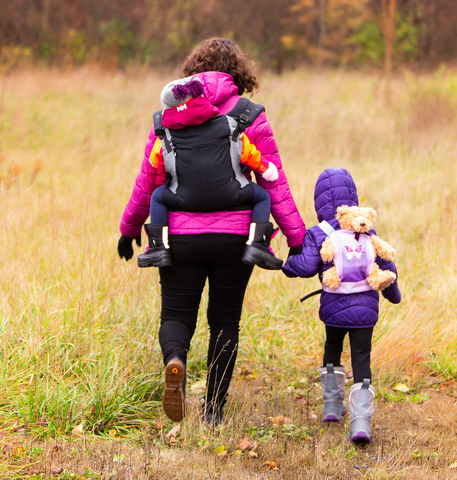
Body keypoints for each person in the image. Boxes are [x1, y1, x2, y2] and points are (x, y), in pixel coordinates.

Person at [118, 38, 306, 425]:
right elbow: (275, 183)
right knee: (224, 321)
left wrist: (129, 227)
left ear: (191, 72)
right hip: (236, 239)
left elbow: (148, 181)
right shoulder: (250, 114)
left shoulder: (170, 117)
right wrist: (298, 237)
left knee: (176, 315)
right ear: (240, 74)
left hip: (179, 236)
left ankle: (174, 361)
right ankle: (214, 412)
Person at [283, 168, 401, 442]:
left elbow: (303, 267)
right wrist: (393, 294)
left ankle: (333, 406)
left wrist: (286, 263)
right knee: (362, 357)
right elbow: (387, 264)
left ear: (318, 202)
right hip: (366, 310)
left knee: (332, 348)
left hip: (333, 307)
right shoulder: (366, 230)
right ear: (354, 196)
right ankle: (361, 421)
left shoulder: (318, 232)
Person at [137, 75, 282, 270]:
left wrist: (161, 188)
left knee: (156, 196)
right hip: (232, 195)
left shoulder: (164, 138)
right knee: (263, 196)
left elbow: (155, 171)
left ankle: (157, 247)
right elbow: (249, 154)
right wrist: (266, 169)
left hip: (183, 199)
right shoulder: (229, 126)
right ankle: (257, 244)